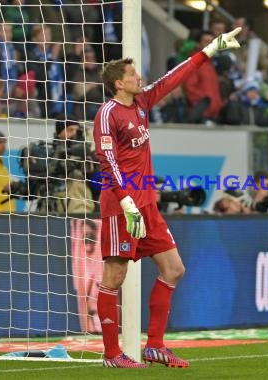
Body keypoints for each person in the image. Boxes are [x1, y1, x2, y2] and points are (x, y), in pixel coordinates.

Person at [93, 27, 242, 369]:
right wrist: (127, 202)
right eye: (132, 74)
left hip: (147, 205)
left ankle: (155, 346)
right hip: (121, 206)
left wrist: (210, 50)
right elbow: (108, 160)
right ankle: (112, 354)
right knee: (114, 278)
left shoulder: (142, 103)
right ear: (118, 83)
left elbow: (173, 78)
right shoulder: (107, 113)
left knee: (174, 269)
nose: (138, 76)